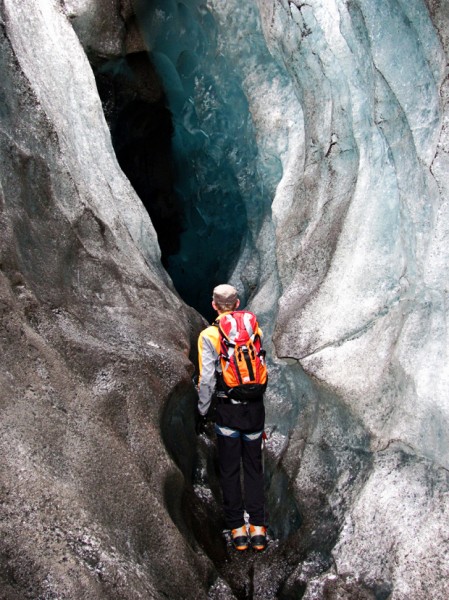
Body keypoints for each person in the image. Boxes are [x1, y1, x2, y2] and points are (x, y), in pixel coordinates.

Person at [196, 284, 267, 552]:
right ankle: (258, 528)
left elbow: (206, 380)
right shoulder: (255, 330)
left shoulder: (209, 335)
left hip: (227, 411)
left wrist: (203, 411)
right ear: (237, 304)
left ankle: (237, 528)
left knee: (229, 469)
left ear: (214, 305)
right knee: (253, 467)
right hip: (254, 410)